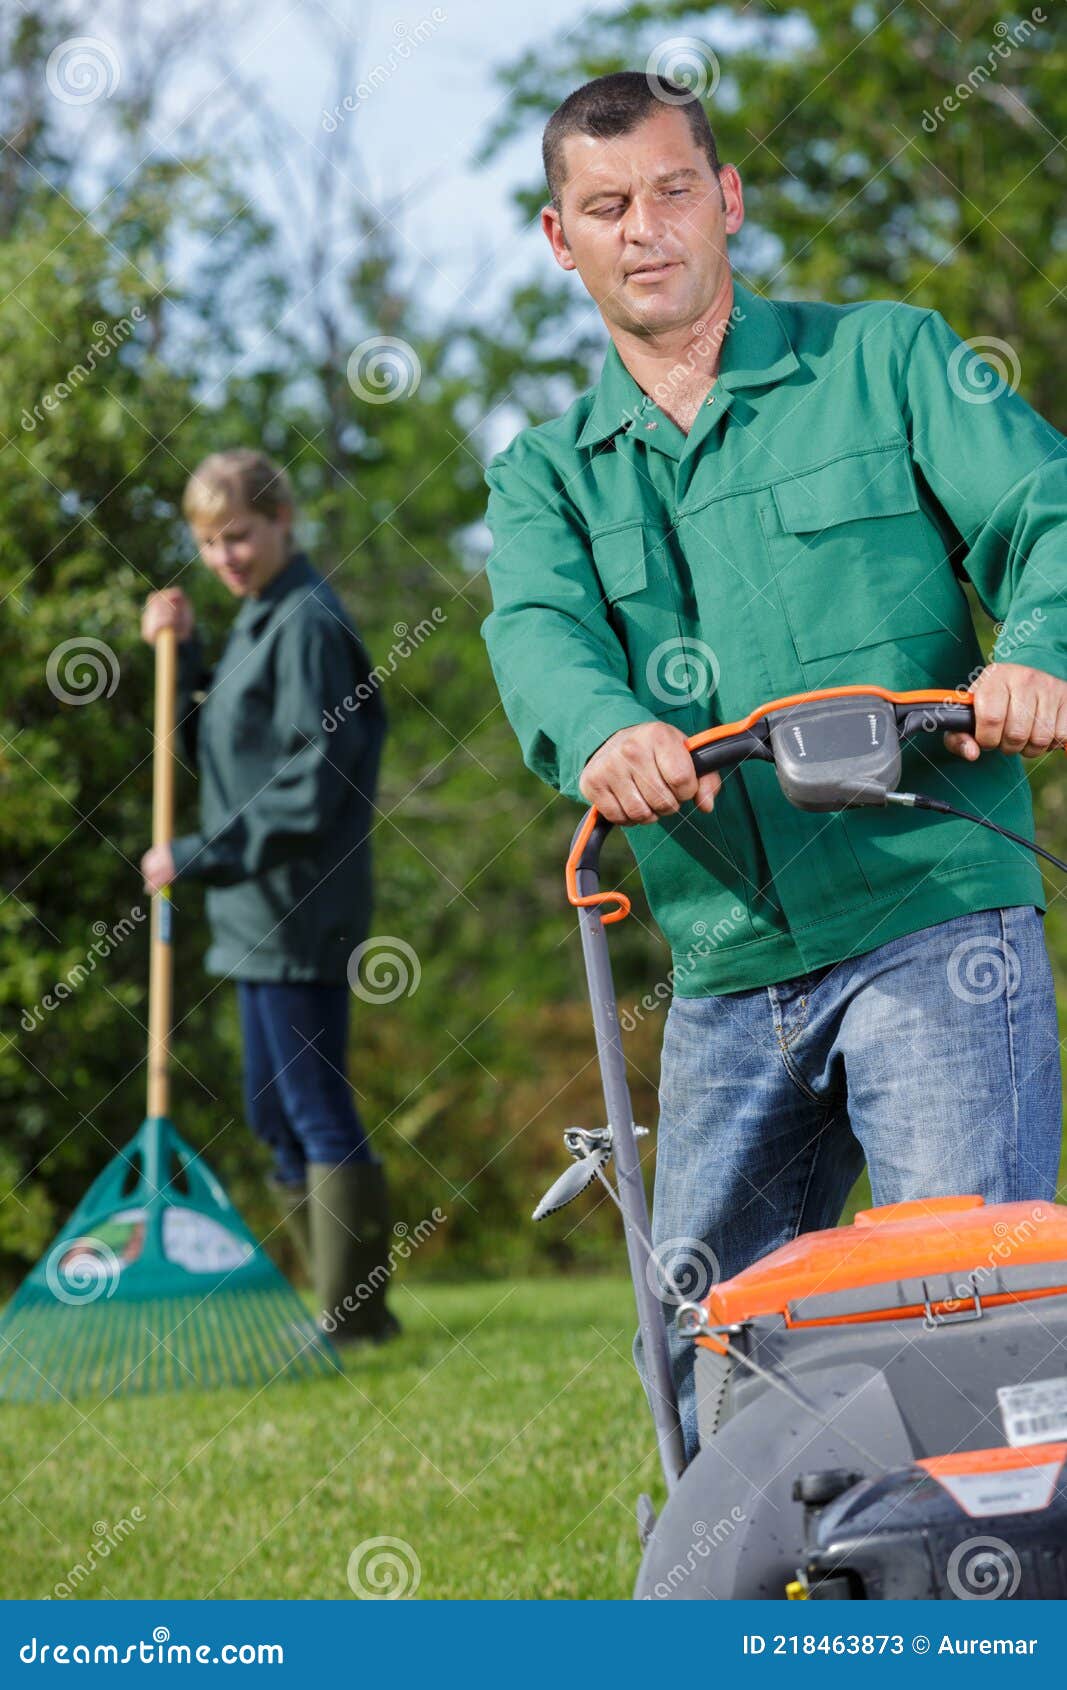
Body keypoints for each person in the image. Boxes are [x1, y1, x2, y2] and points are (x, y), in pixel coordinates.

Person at [480, 72, 1067, 1456]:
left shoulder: (889, 361)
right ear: (559, 240)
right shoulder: (548, 476)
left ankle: (984, 1611)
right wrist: (606, 732)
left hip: (930, 915)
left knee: (960, 1307)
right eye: (606, 206)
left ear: (726, 201)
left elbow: (1045, 514)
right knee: (707, 1340)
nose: (646, 229)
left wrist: (1034, 644)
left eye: (674, 191)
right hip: (726, 962)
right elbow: (539, 634)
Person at [140, 447, 399, 1346]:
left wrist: (196, 852)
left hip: (299, 905)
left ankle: (354, 1316)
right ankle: (335, 1302)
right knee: (269, 1110)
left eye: (239, 535)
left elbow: (311, 781)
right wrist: (189, 651)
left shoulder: (309, 625)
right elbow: (233, 743)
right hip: (250, 912)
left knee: (312, 1104)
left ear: (282, 521)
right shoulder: (257, 618)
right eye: (209, 543)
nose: (225, 557)